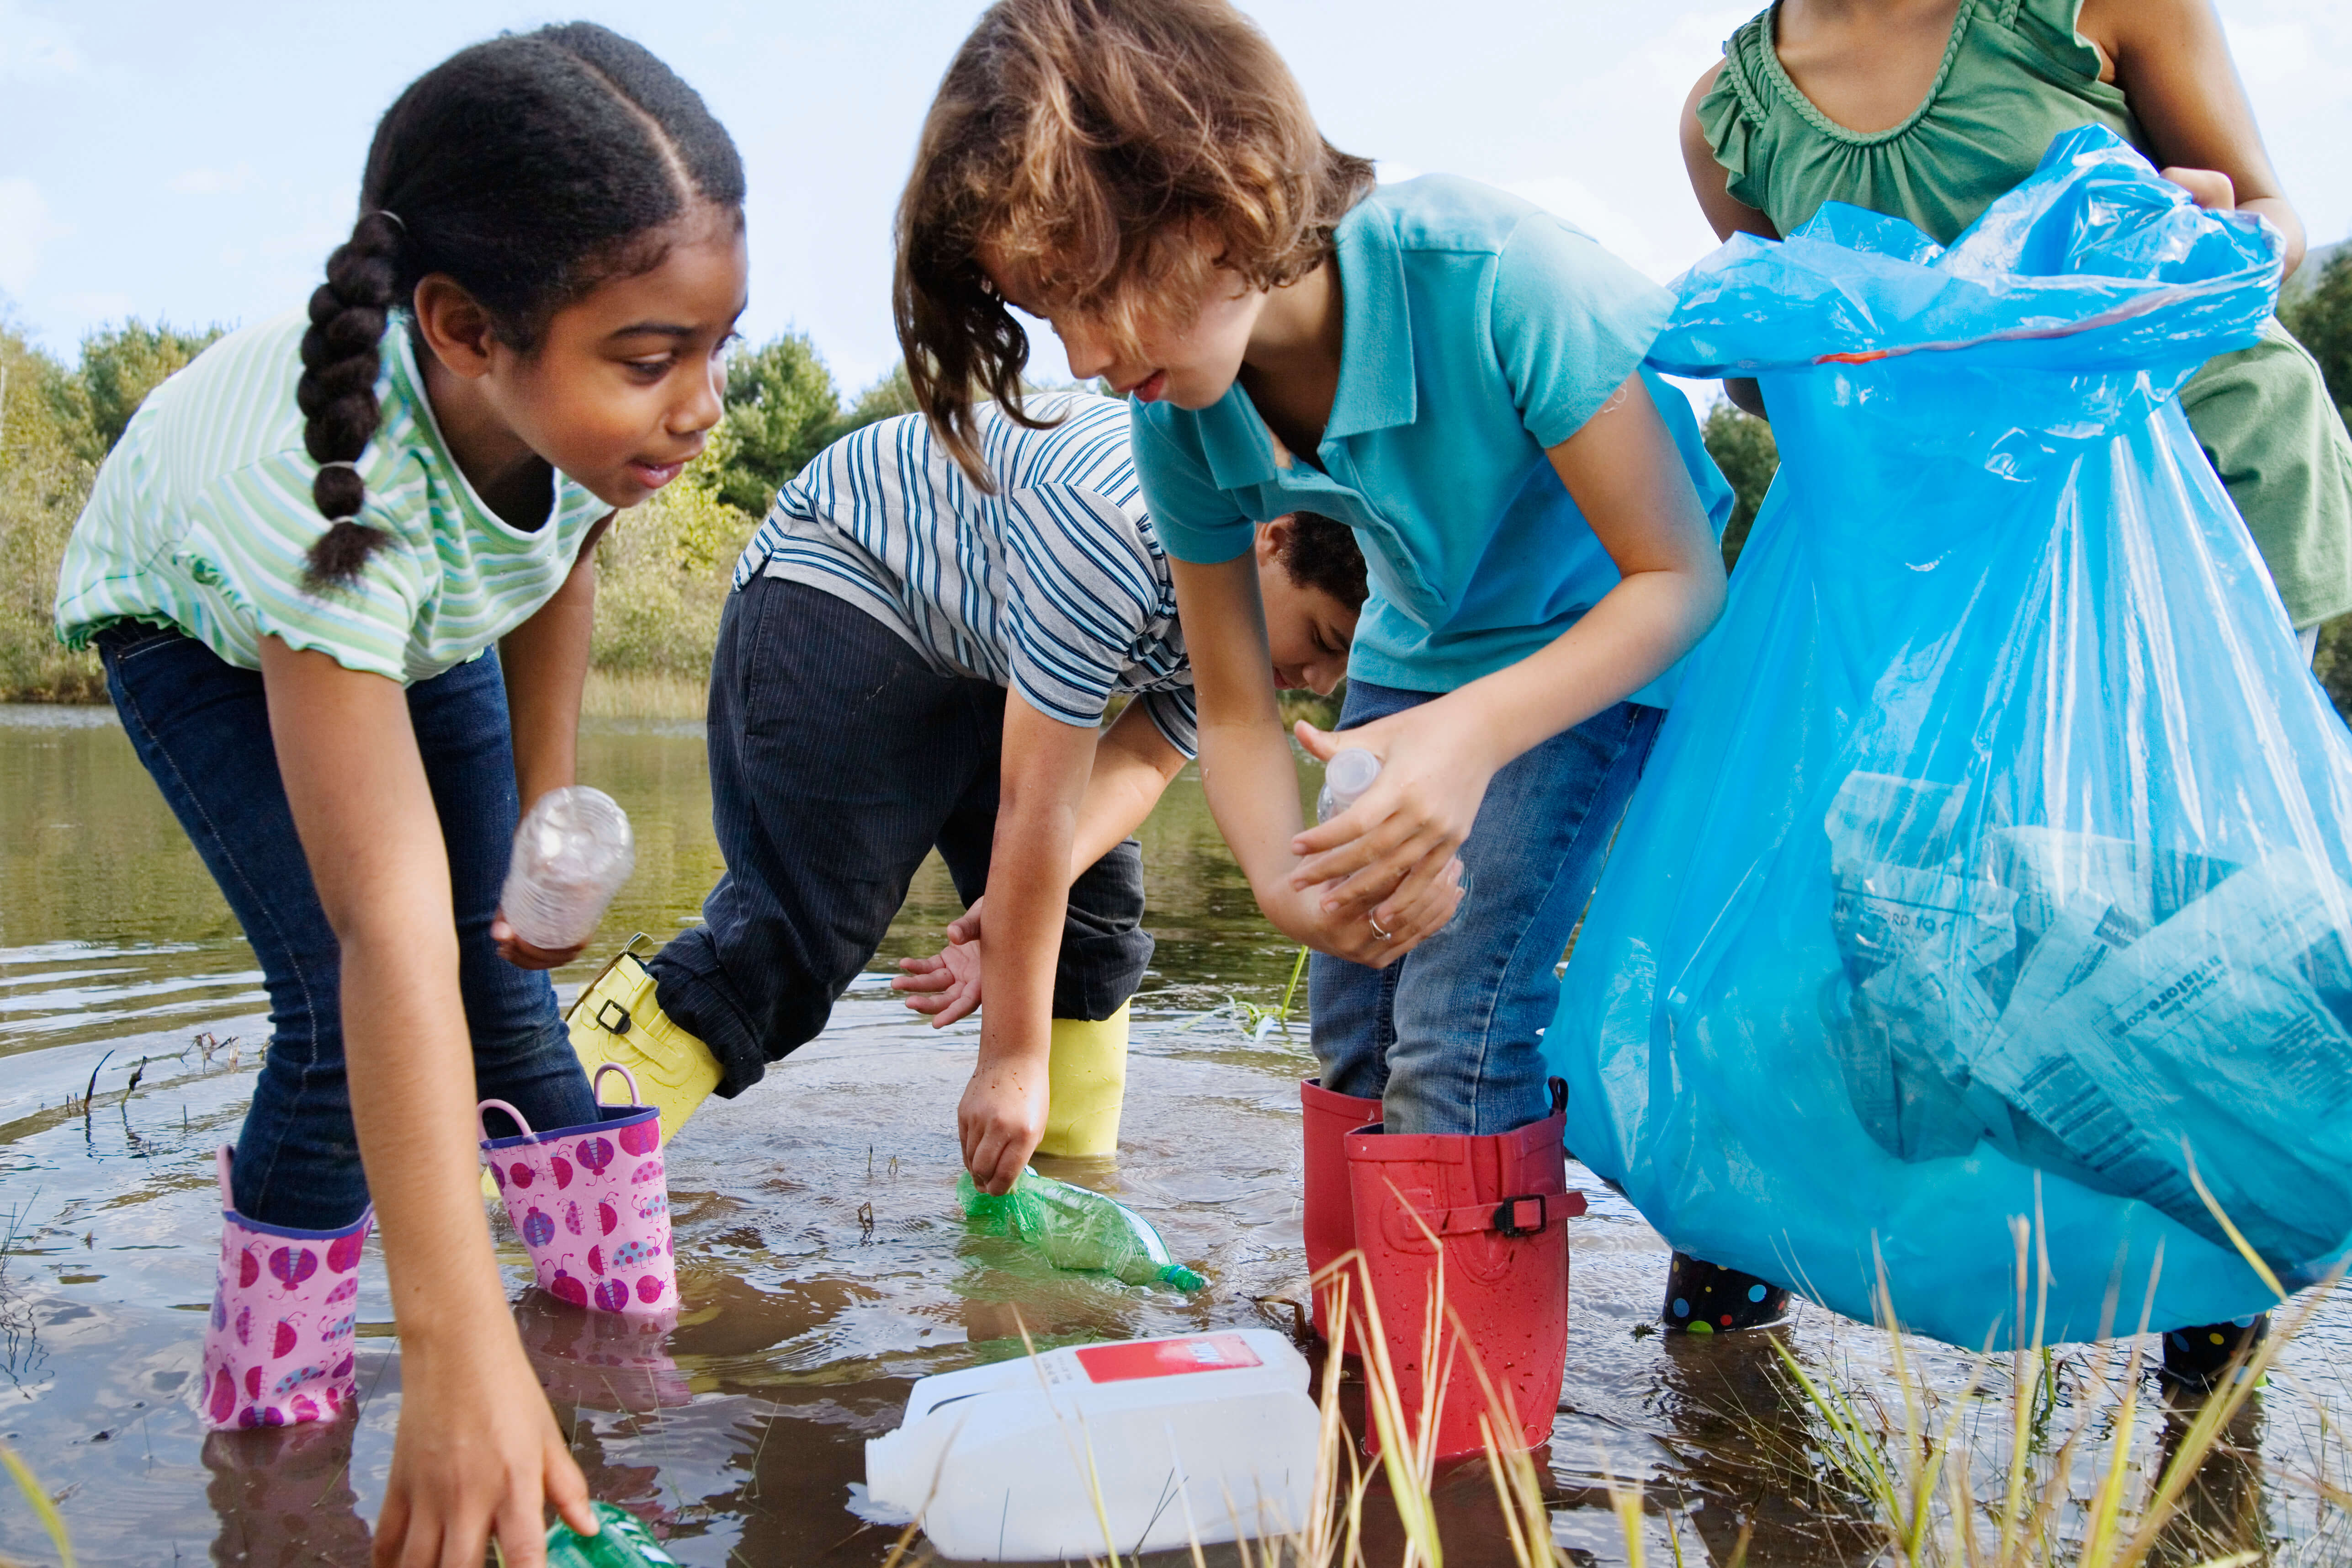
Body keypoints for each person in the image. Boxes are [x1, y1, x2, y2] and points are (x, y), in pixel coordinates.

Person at [893, 0, 1733, 1458]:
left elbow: (1678, 579)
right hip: (1423, 643)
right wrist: (1282, 880)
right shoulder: (1185, 423)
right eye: (1048, 321)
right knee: (1347, 1007)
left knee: (1459, 1019)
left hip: (1604, 637)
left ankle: (1461, 1462)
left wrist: (1469, 745)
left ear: (1221, 199)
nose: (1087, 358)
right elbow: (1230, 709)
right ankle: (1354, 1381)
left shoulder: (1491, 278)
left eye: (1093, 294)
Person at [50, 24, 745, 1565]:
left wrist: (545, 834)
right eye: (651, 360)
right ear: (460, 328)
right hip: (217, 624)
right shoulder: (314, 504)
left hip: (415, 609)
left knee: (501, 977)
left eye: (716, 346)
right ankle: (277, 1442)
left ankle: (613, 1332)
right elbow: (380, 936)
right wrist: (450, 1351)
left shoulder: (590, 436)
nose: (699, 407)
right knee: (334, 994)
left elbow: (555, 560)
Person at [1675, 0, 2352, 1380]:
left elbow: (2269, 220)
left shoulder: (2102, 11)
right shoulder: (1724, 116)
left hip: (2184, 508)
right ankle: (1750, 1262)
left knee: (2188, 902)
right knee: (1868, 882)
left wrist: (2198, 226)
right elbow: (1762, 376)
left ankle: (2212, 1282)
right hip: (1932, 550)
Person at [563, 391, 1370, 1190]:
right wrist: (1010, 1060)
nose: (1316, 680)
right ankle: (539, 1162)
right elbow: (1037, 804)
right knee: (795, 937)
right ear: (1273, 536)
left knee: (1087, 921)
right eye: (1324, 638)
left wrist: (1007, 917)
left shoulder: (1240, 623)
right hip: (848, 584)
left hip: (989, 653)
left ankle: (1053, 1216)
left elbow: (1143, 763)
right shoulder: (1114, 527)